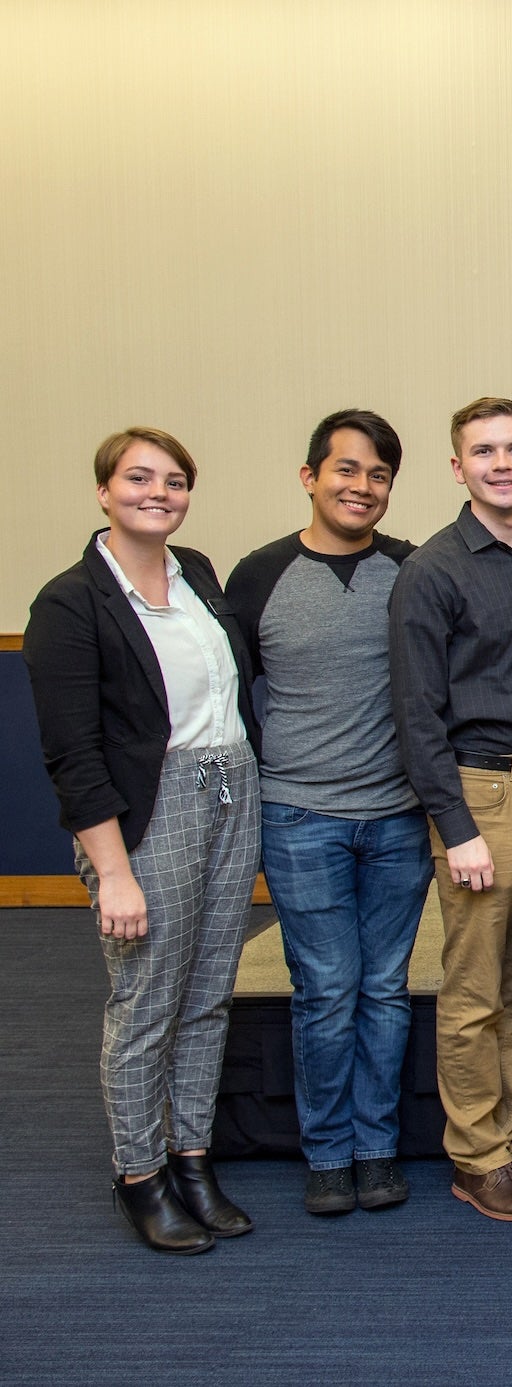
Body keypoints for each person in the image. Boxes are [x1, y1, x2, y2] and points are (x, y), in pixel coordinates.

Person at [24, 427, 262, 1254]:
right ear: (103, 490)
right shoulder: (69, 601)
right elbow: (72, 752)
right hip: (147, 810)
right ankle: (140, 1174)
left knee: (208, 990)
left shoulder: (196, 571)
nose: (158, 492)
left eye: (174, 480)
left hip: (233, 788)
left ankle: (191, 1156)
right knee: (146, 998)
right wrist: (113, 871)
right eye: (139, 478)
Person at [226, 409, 430, 1217]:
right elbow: (225, 686)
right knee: (326, 987)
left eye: (379, 474)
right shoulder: (258, 574)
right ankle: (326, 1151)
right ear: (310, 477)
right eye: (347, 470)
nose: (363, 486)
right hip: (299, 815)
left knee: (385, 987)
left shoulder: (413, 570)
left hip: (397, 818)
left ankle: (376, 1148)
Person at [389, 397, 512, 1222]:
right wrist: (457, 826)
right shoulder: (431, 571)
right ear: (457, 466)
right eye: (483, 451)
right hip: (482, 791)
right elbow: (415, 714)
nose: (501, 463)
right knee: (473, 988)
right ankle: (476, 1156)